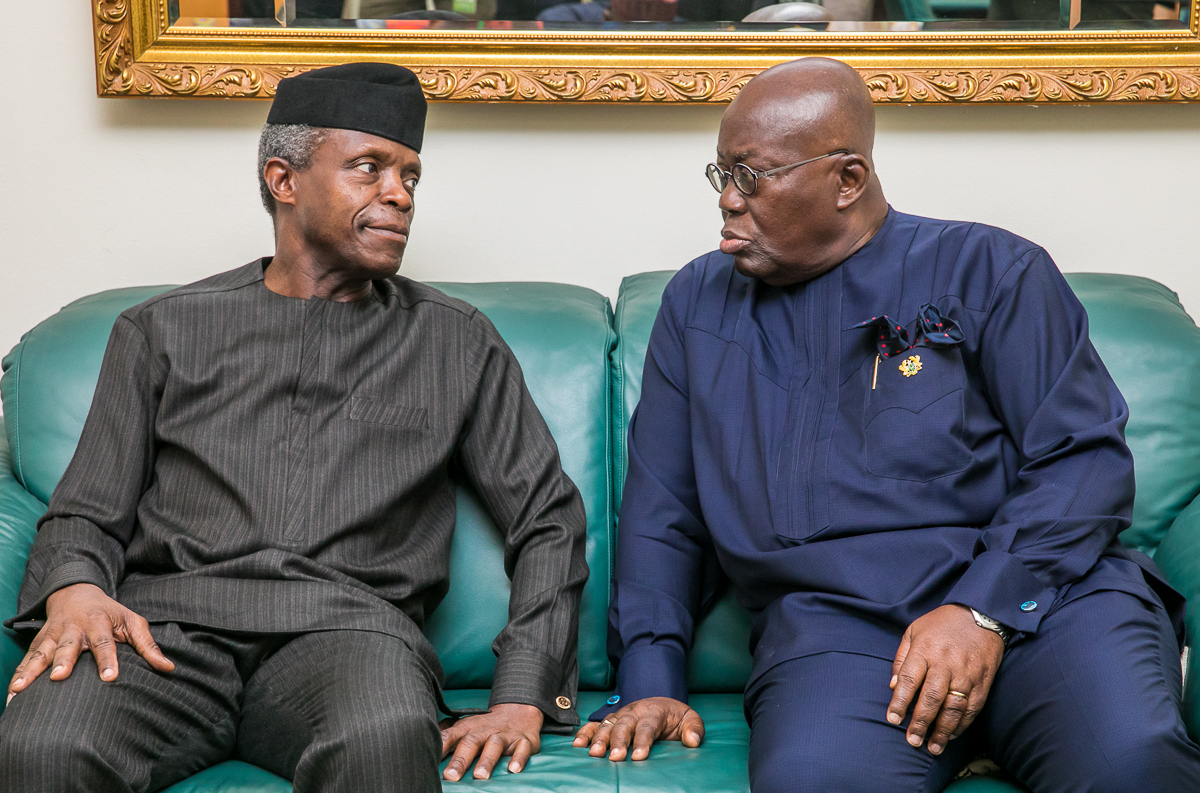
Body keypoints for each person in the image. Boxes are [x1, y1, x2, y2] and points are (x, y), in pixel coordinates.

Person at [576, 57, 1200, 792]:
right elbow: (662, 512)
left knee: (1131, 765)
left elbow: (1085, 460)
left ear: (847, 180)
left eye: (751, 176)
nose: (727, 202)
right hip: (840, 634)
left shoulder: (992, 269)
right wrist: (651, 675)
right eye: (721, 176)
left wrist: (982, 609)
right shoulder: (697, 307)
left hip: (1048, 604)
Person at [0, 63, 589, 793]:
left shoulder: (456, 340)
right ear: (284, 180)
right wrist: (75, 588)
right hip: (168, 634)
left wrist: (522, 690)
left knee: (381, 739)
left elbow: (549, 520)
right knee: (45, 745)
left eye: (410, 175)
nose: (399, 193)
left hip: (351, 637)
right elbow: (84, 511)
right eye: (369, 168)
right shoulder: (159, 331)